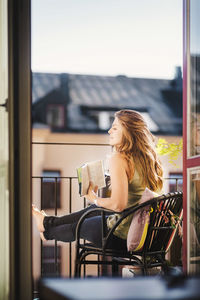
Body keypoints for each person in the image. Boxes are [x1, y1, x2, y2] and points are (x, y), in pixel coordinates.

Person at [32, 109, 163, 248]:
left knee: (80, 224)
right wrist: (96, 202)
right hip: (146, 233)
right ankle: (47, 223)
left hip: (122, 236)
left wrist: (93, 197)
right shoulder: (149, 159)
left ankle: (47, 232)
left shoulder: (120, 158)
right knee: (93, 209)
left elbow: (119, 205)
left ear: (128, 131)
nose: (109, 131)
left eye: (115, 127)